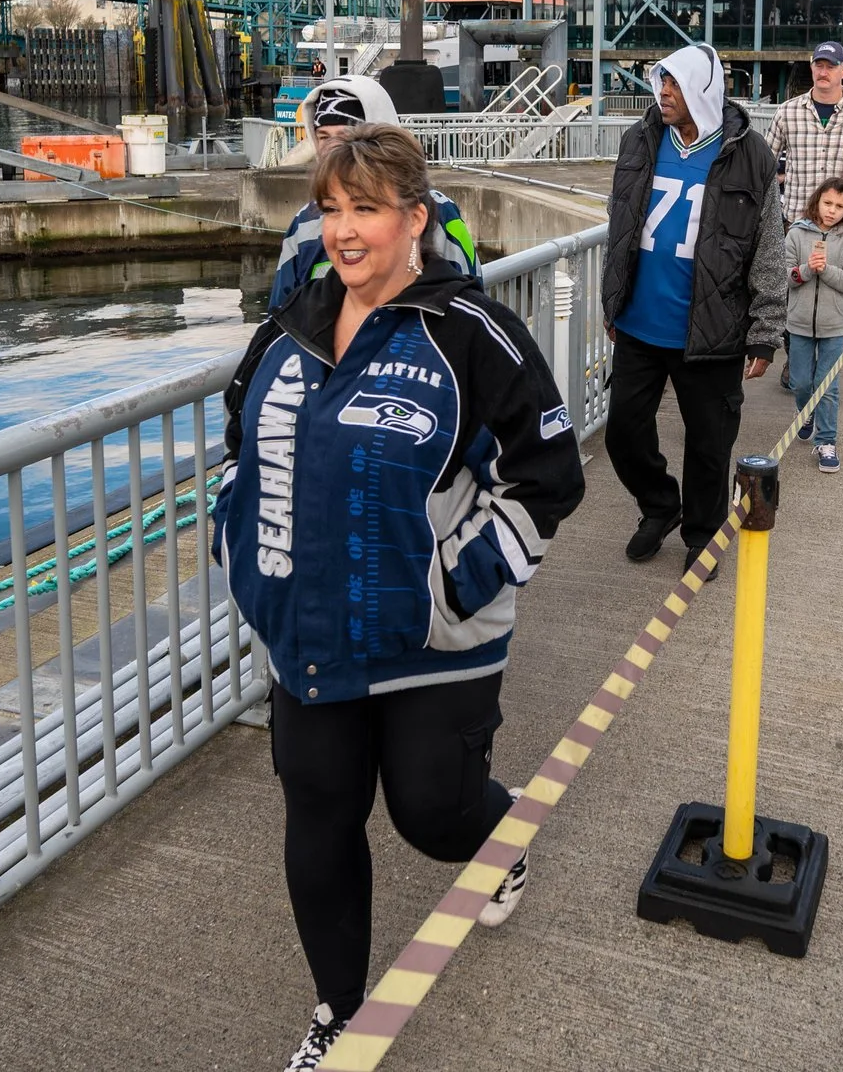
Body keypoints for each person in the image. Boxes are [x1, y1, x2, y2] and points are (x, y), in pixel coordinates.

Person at [213, 126, 584, 1072]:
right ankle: (337, 1009)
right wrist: (242, 544)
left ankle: (498, 839)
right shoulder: (289, 323)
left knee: (430, 812)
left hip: (437, 642)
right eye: (330, 208)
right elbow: (238, 441)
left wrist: (454, 582)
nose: (343, 230)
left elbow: (548, 475)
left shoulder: (471, 332)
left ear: (414, 218)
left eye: (365, 208)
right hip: (312, 638)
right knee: (320, 818)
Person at [603, 43, 787, 568]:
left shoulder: (749, 154)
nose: (663, 92)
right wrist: (611, 299)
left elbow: (768, 247)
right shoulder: (640, 140)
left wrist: (765, 330)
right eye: (662, 81)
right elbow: (621, 225)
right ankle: (660, 505)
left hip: (711, 330)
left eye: (676, 84)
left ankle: (701, 537)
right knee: (622, 434)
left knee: (709, 446)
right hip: (639, 324)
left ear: (703, 90)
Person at [271, 75, 478, 308]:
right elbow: (281, 312)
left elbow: (467, 295)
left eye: (344, 137)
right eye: (323, 138)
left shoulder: (442, 213)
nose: (331, 151)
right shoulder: (303, 223)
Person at [766, 40, 843, 251]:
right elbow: (764, 163)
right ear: (811, 67)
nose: (823, 72)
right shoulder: (787, 112)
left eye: (831, 67)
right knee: (793, 283)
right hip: (797, 225)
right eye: (819, 65)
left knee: (841, 283)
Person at [785, 176, 843, 473]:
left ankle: (827, 441)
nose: (832, 211)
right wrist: (806, 270)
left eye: (840, 206)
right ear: (817, 201)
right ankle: (806, 412)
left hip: (834, 326)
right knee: (801, 381)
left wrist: (826, 270)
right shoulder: (795, 234)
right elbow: (784, 275)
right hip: (800, 323)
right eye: (828, 203)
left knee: (827, 385)